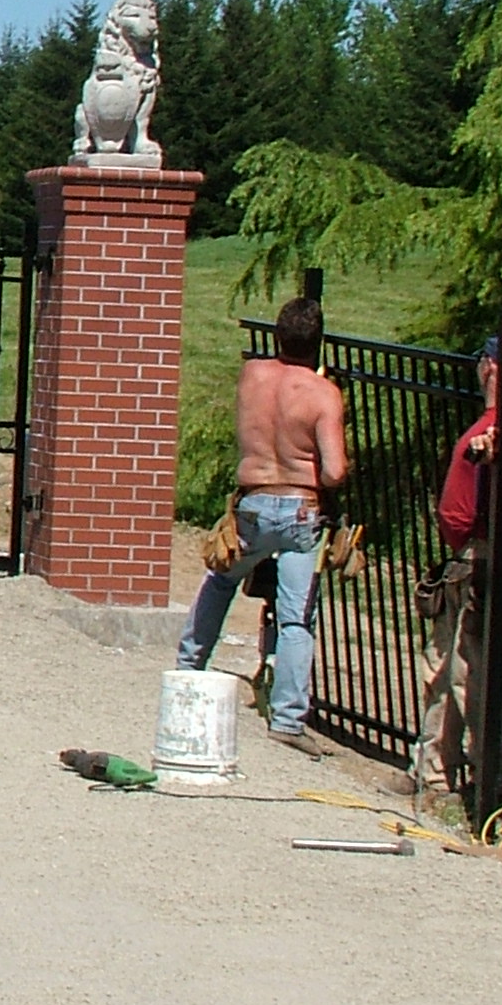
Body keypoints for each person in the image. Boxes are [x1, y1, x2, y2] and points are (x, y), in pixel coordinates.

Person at [177, 296, 347, 749]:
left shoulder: (253, 376)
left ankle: (188, 669)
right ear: (319, 343)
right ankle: (288, 720)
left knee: (220, 581)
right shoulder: (323, 394)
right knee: (295, 620)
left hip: (252, 503)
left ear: (276, 337)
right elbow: (334, 471)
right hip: (299, 510)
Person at [418, 329, 502, 806]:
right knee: (455, 669)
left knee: (468, 673)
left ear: (491, 368)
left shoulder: (495, 429)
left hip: (482, 557)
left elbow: (460, 514)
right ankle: (437, 774)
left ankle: (490, 786)